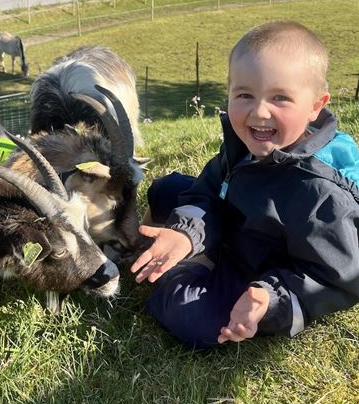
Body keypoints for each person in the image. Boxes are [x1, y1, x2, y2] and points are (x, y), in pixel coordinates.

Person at [131, 20, 359, 349]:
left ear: (315, 106)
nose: (259, 112)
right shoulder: (246, 144)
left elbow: (339, 277)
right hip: (237, 226)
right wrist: (186, 233)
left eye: (280, 98)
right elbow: (209, 188)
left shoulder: (322, 193)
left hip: (263, 267)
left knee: (190, 316)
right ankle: (185, 246)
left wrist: (269, 298)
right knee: (166, 188)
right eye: (245, 95)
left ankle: (184, 269)